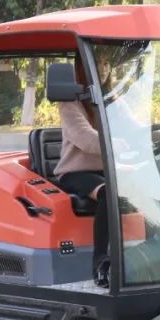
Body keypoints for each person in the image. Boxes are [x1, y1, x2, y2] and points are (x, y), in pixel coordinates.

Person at [54, 58, 110, 286]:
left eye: (106, 63)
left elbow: (131, 125)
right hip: (75, 172)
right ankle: (101, 263)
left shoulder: (110, 101)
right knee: (109, 193)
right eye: (99, 63)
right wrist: (114, 143)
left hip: (107, 169)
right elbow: (84, 137)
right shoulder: (69, 104)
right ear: (81, 68)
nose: (104, 68)